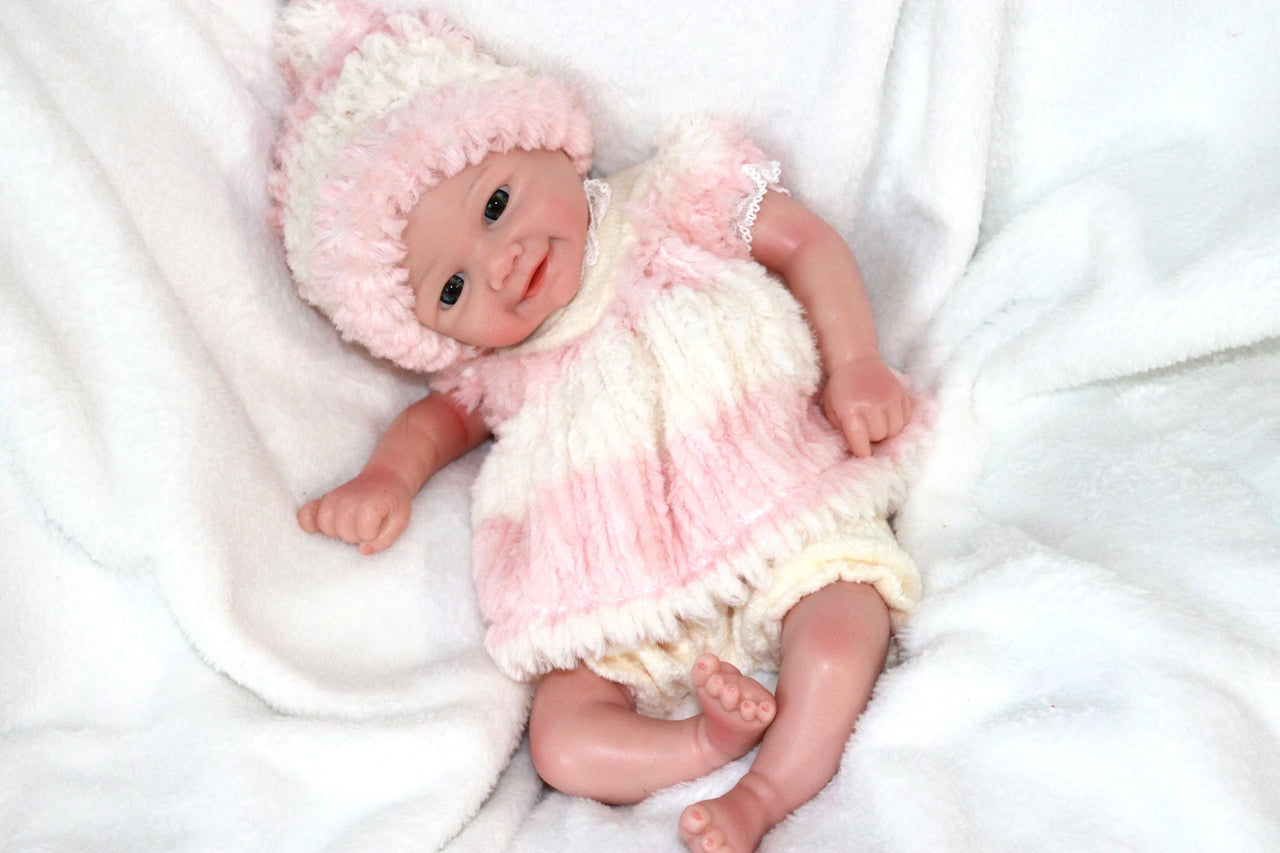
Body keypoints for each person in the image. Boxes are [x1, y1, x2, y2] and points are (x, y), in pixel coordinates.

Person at [273, 3, 929, 850]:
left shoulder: (670, 200)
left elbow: (803, 241)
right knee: (563, 741)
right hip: (615, 592)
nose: (501, 262)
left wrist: (856, 363)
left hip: (776, 505)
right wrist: (387, 477)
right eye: (451, 289)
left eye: (497, 203)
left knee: (842, 634)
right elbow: (439, 420)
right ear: (425, 332)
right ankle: (704, 742)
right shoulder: (496, 369)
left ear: (545, 139)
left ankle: (765, 793)